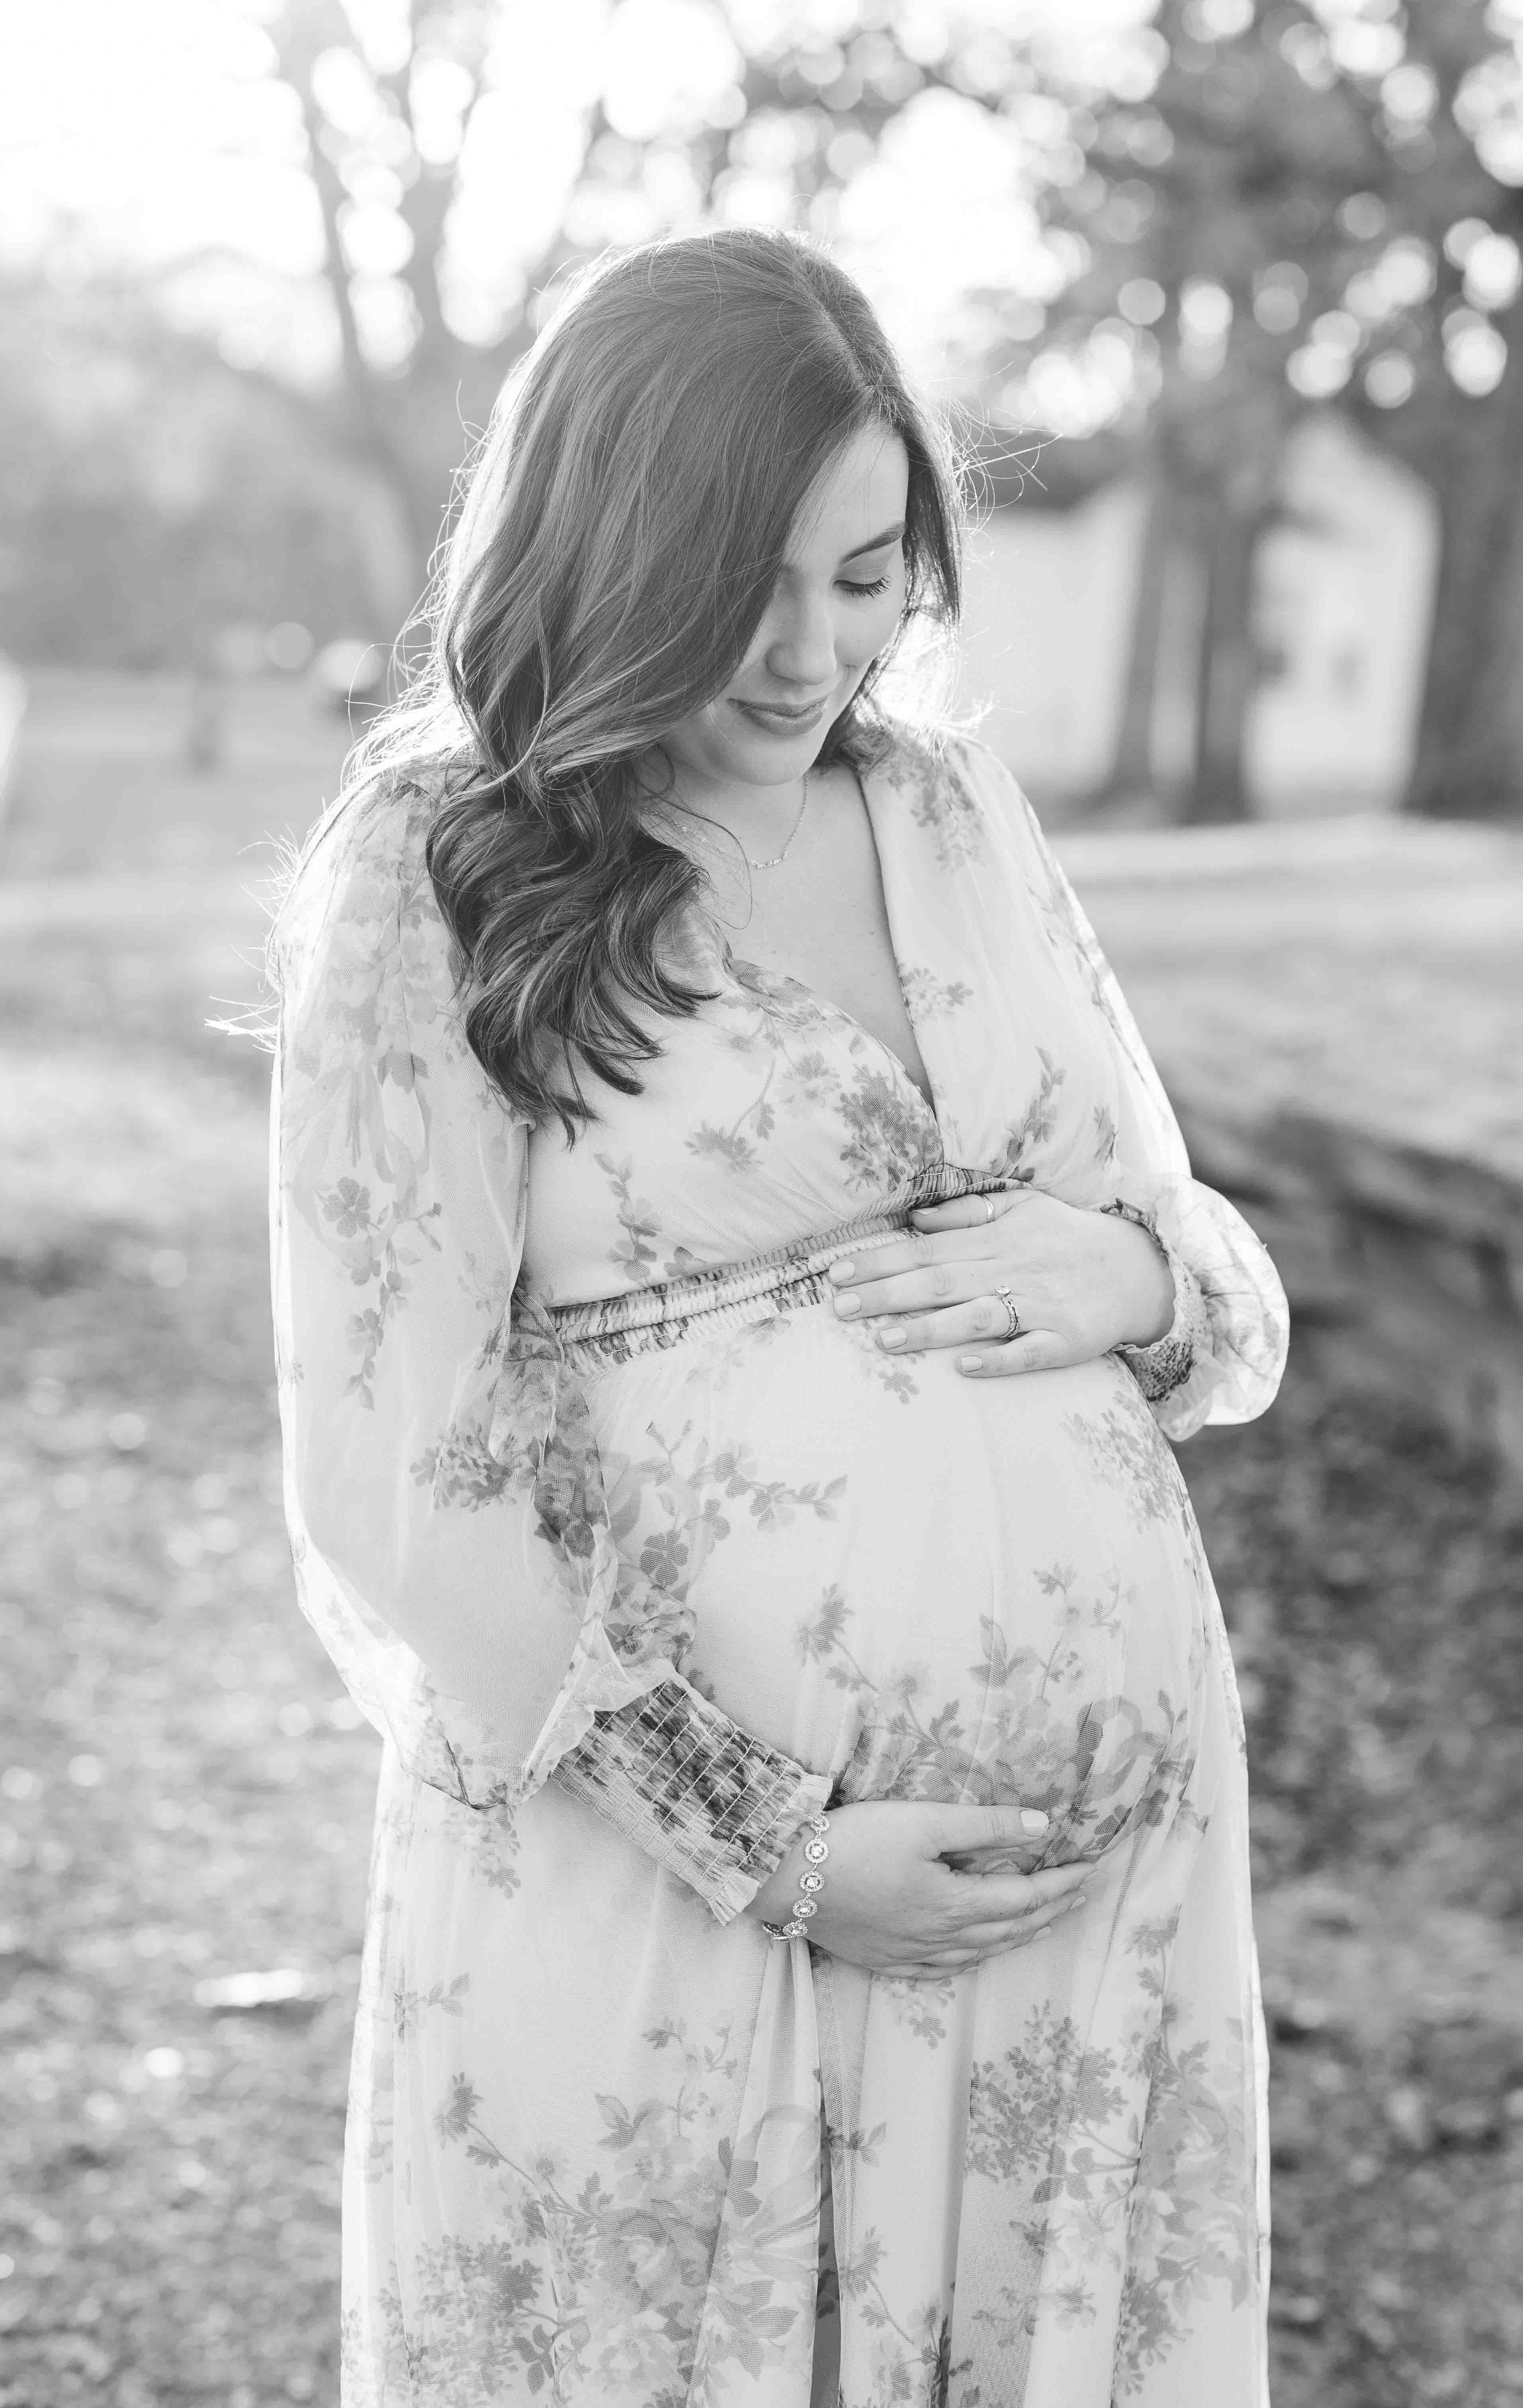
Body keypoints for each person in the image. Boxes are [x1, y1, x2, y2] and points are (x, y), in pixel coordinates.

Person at [268, 227, 1287, 2408]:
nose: (814, 646)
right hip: (680, 1901)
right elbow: (382, 1470)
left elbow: (1191, 1248)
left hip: (1078, 1929)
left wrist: (1131, 1276)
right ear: (611, 541)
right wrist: (771, 1840)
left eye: (866, 572)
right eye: (753, 577)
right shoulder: (441, 867)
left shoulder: (943, 805)